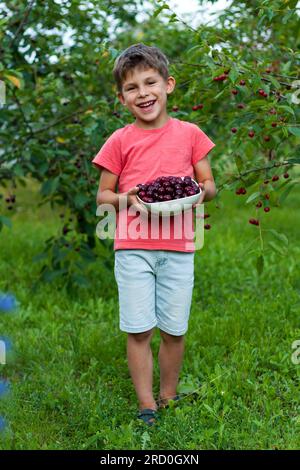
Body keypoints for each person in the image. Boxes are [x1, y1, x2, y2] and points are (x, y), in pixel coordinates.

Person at [91, 43, 217, 426]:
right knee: (139, 328)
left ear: (169, 85)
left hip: (179, 248)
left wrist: (199, 192)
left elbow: (208, 184)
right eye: (132, 87)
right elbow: (103, 196)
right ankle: (146, 405)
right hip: (133, 248)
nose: (143, 93)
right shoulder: (119, 140)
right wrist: (127, 198)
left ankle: (168, 396)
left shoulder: (191, 134)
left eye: (151, 83)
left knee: (174, 329)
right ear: (122, 97)